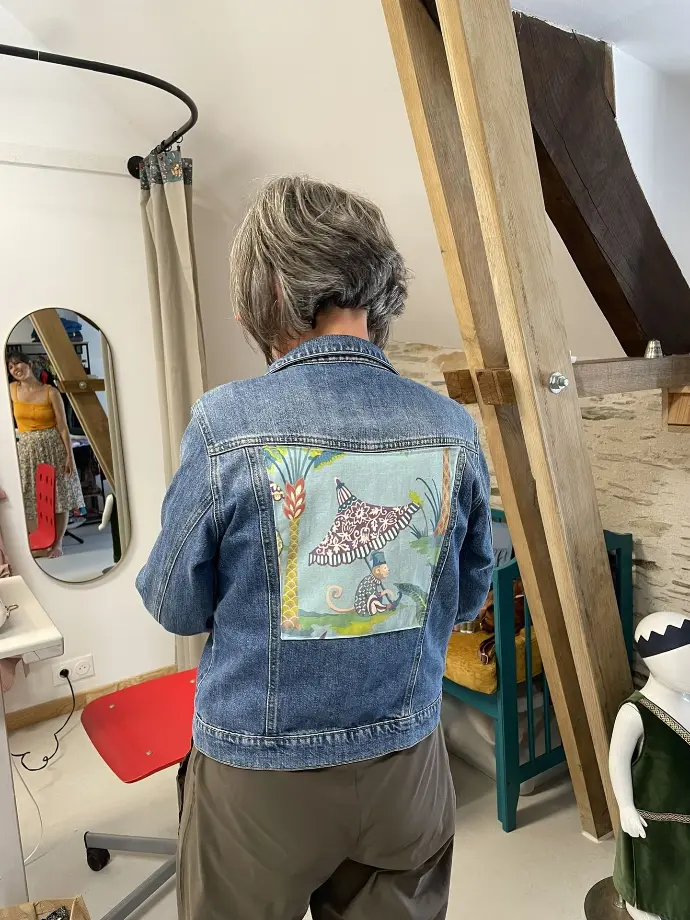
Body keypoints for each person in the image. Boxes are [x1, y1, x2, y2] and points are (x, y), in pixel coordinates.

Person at [137, 176, 494, 920]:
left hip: (260, 781)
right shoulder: (451, 427)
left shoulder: (226, 424)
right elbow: (466, 598)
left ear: (269, 290)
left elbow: (175, 605)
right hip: (405, 767)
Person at [7, 353, 84, 558]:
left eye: (18, 363)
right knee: (29, 494)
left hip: (53, 446)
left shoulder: (51, 392)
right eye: (11, 367)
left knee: (59, 494)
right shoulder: (11, 390)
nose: (15, 369)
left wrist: (69, 456)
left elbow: (63, 426)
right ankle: (40, 542)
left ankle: (58, 543)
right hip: (26, 449)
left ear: (29, 364)